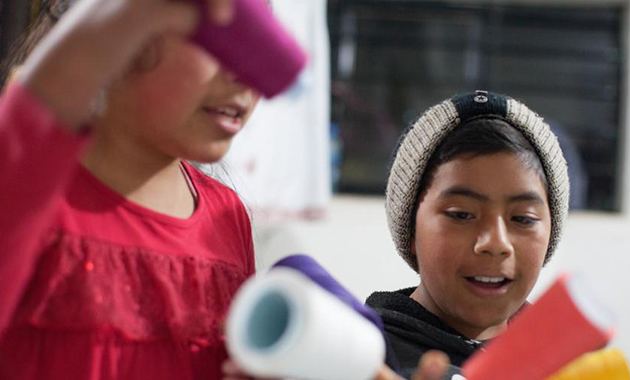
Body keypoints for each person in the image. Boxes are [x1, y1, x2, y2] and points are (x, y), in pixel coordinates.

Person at [0, 0, 447, 378]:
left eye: (255, 50)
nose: (246, 78)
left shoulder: (225, 216)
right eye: (220, 43)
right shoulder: (29, 191)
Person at [366, 90, 570, 378]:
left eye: (523, 218)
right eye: (461, 214)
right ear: (411, 229)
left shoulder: (565, 362)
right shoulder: (363, 357)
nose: (496, 243)